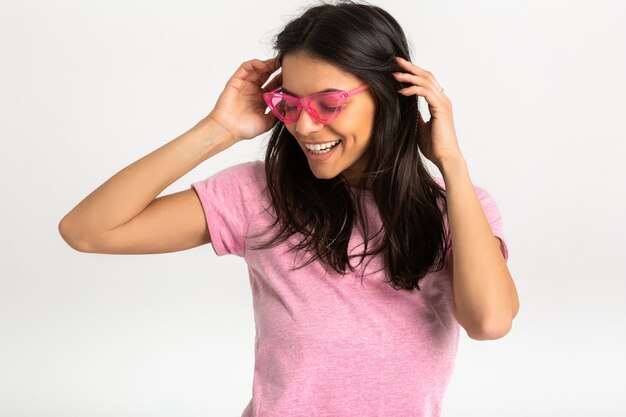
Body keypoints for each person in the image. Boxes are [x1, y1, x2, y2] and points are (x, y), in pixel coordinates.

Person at [58, 0, 519, 415]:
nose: (304, 125)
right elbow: (89, 230)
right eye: (289, 103)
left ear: (390, 97)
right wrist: (220, 128)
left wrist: (451, 164)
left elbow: (490, 322)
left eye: (328, 103)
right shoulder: (258, 196)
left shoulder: (460, 209)